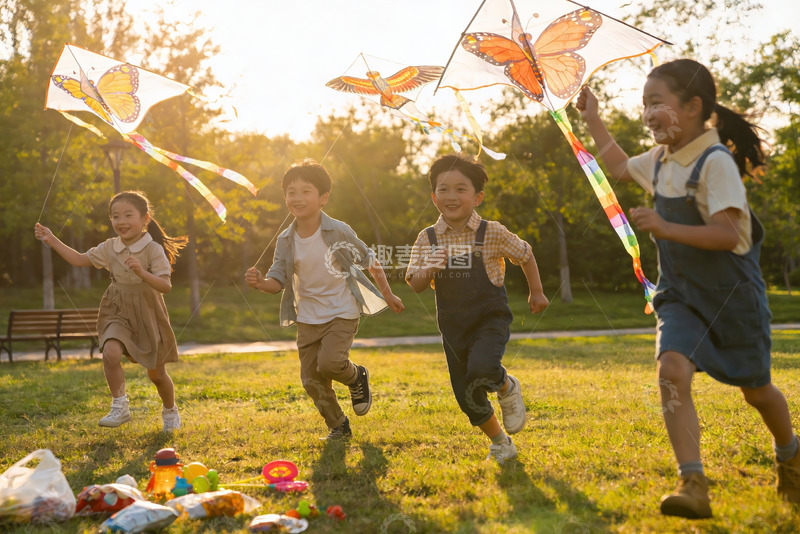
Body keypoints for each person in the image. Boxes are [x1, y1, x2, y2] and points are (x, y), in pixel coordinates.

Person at [576, 58, 800, 518]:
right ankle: (692, 481)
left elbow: (726, 234)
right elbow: (618, 166)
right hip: (680, 297)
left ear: (693, 106)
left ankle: (791, 453)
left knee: (757, 392)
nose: (647, 113)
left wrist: (663, 226)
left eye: (657, 102)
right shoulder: (659, 160)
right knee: (671, 371)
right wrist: (592, 117)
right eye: (644, 104)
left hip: (732, 300)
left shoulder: (715, 163)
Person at [405, 153, 549, 465]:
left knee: (483, 368)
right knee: (466, 394)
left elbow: (525, 254)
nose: (451, 196)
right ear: (433, 197)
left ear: (477, 196)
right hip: (453, 326)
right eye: (443, 189)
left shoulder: (491, 232)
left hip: (489, 317)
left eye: (461, 189)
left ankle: (505, 384)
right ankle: (501, 443)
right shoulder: (427, 238)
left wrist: (536, 291)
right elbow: (415, 284)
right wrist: (429, 268)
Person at [245, 159, 404, 440]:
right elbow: (277, 280)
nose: (297, 198)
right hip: (307, 316)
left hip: (342, 311)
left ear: (323, 198)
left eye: (306, 191)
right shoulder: (285, 239)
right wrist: (260, 284)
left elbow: (370, 260)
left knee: (330, 363)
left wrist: (388, 294)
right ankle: (338, 426)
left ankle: (356, 376)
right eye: (291, 191)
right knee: (311, 380)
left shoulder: (338, 230)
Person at [34, 190, 186, 432]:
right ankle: (120, 405)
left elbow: (165, 286)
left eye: (128, 215)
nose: (121, 221)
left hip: (147, 310)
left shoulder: (153, 249)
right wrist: (51, 239)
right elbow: (78, 259)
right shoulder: (109, 247)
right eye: (115, 216)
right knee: (110, 353)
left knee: (156, 375)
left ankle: (170, 410)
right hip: (117, 307)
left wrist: (142, 273)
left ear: (145, 219)